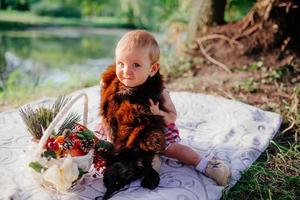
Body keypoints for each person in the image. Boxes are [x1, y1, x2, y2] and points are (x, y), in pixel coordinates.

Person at [95, 30, 231, 186]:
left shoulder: (158, 92)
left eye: (136, 65)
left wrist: (158, 112)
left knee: (173, 149)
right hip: (124, 130)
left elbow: (172, 117)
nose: (126, 71)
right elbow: (107, 111)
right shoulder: (112, 85)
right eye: (121, 63)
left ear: (152, 69)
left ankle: (206, 165)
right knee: (103, 145)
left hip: (154, 130)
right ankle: (146, 160)